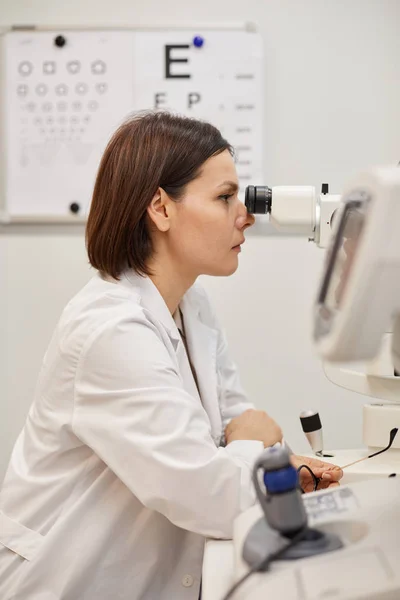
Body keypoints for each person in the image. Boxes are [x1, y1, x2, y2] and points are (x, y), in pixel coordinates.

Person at [0, 112, 342, 600]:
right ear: (160, 208)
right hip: (63, 583)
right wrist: (252, 451)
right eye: (225, 197)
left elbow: (235, 425)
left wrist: (284, 467)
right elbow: (214, 491)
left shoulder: (190, 303)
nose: (244, 214)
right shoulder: (111, 330)